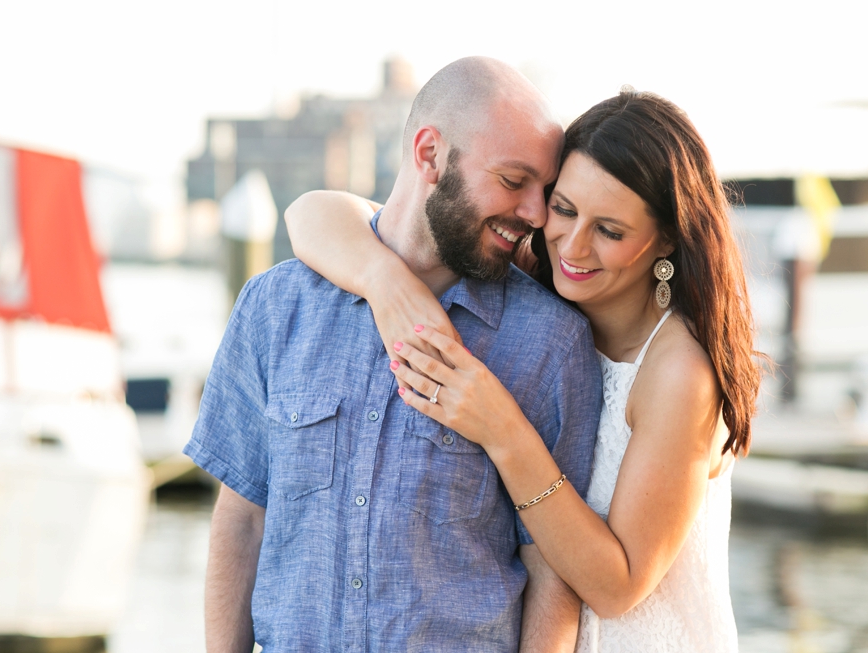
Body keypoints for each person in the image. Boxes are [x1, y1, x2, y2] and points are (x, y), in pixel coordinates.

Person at [284, 89, 765, 652]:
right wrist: (382, 281)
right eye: (564, 208)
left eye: (610, 231)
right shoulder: (543, 274)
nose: (574, 244)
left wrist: (503, 430)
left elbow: (619, 586)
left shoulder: (680, 372)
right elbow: (310, 213)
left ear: (664, 237)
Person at [186, 57, 604, 653]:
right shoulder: (275, 306)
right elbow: (242, 518)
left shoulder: (551, 344)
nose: (536, 215)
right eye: (514, 182)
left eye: (545, 191)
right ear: (430, 155)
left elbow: (552, 571)